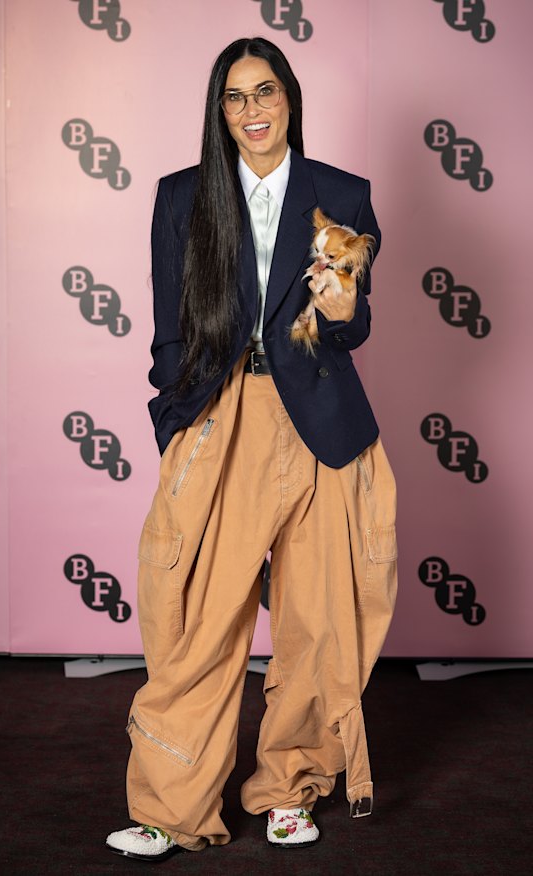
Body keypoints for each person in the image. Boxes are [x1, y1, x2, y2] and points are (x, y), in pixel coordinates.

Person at [106, 36, 397, 863]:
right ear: (219, 110)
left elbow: (357, 323)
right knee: (199, 622)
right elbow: (168, 332)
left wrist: (340, 301)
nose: (253, 111)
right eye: (234, 98)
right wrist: (177, 426)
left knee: (313, 622)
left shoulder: (342, 194)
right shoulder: (182, 198)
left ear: (289, 98)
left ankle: (289, 790)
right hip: (221, 418)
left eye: (264, 92)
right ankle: (172, 809)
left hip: (318, 425)